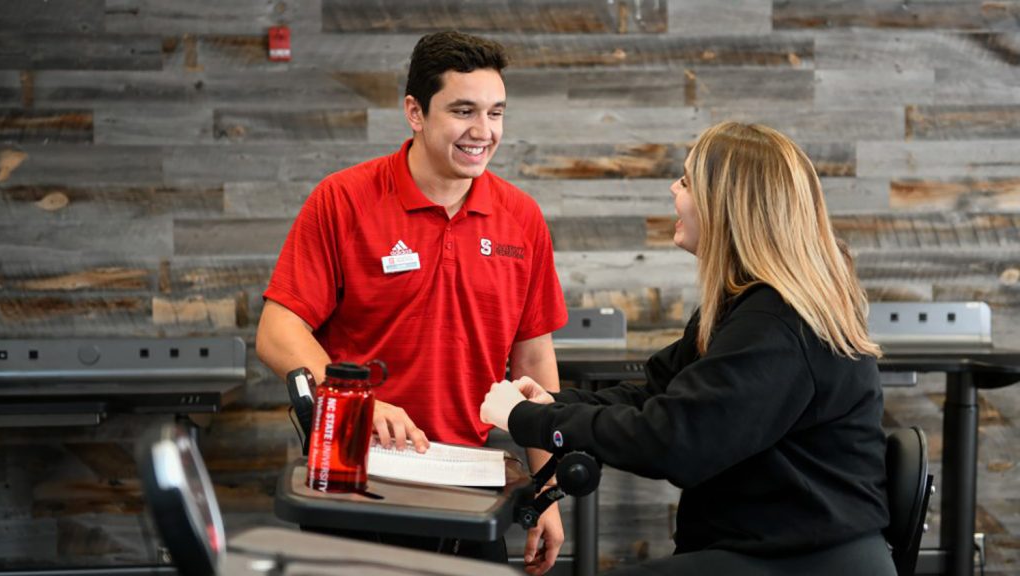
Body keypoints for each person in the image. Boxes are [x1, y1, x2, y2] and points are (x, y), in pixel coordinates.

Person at [481, 122, 897, 575]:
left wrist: (533, 422)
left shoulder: (777, 323)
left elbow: (675, 439)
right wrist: (551, 403)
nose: (672, 189)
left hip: (802, 561)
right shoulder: (745, 304)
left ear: (726, 205)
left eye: (685, 181)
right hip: (765, 547)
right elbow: (654, 395)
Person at [256, 30, 566, 574]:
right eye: (463, 110)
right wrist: (359, 403)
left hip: (471, 483)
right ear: (415, 113)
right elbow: (278, 331)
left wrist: (547, 486)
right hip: (358, 480)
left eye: (496, 112)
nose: (483, 131)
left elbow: (534, 362)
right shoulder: (343, 199)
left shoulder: (522, 218)